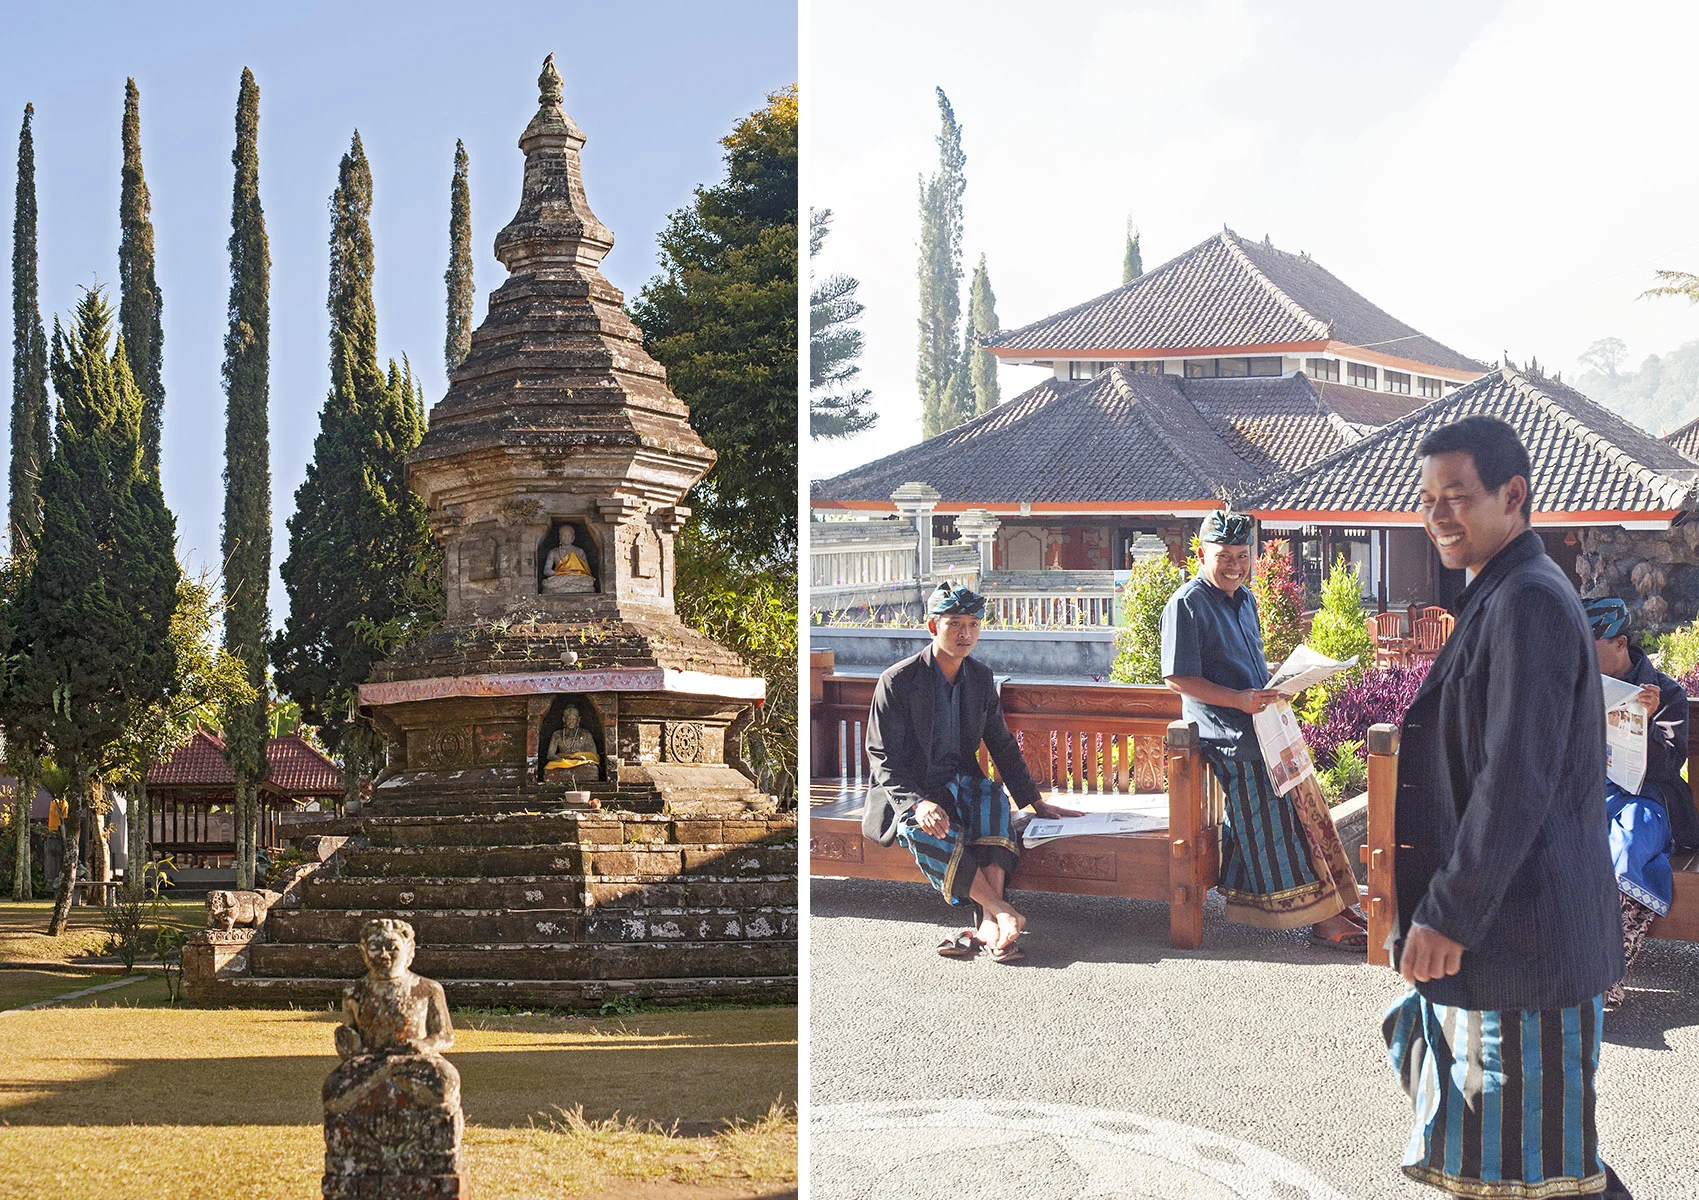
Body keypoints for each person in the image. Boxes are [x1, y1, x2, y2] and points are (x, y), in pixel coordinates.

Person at [1386, 416, 1629, 1200]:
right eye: (1427, 500)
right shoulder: (1501, 592)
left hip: (1518, 936)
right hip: (1507, 935)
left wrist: (1449, 913)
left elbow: (1513, 781)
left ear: (1513, 494)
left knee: (1531, 1168)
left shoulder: (1524, 599)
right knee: (1530, 1155)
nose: (1438, 516)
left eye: (1455, 496)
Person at [1160, 510, 1364, 947]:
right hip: (1226, 735)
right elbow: (1177, 678)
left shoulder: (1247, 599)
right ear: (1201, 553)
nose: (1235, 564)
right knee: (1276, 816)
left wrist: (1284, 681)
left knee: (1309, 810)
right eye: (1224, 555)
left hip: (1265, 723)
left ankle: (1336, 902)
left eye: (1242, 554)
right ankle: (1321, 920)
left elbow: (1246, 666)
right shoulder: (1186, 604)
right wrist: (1238, 699)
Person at [863, 581, 1077, 962]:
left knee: (994, 803)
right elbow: (882, 755)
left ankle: (988, 924)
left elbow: (1001, 744)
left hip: (961, 779)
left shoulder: (979, 678)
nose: (966, 633)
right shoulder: (898, 681)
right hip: (914, 789)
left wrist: (1034, 802)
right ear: (933, 627)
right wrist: (916, 803)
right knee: (925, 827)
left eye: (974, 624)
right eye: (954, 623)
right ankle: (1003, 913)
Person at [1585, 596, 1696, 1011]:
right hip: (1591, 796)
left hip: (1647, 799)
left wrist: (1646, 721)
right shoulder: (1577, 686)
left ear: (1620, 643)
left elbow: (1669, 766)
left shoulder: (1665, 693)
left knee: (1628, 849)